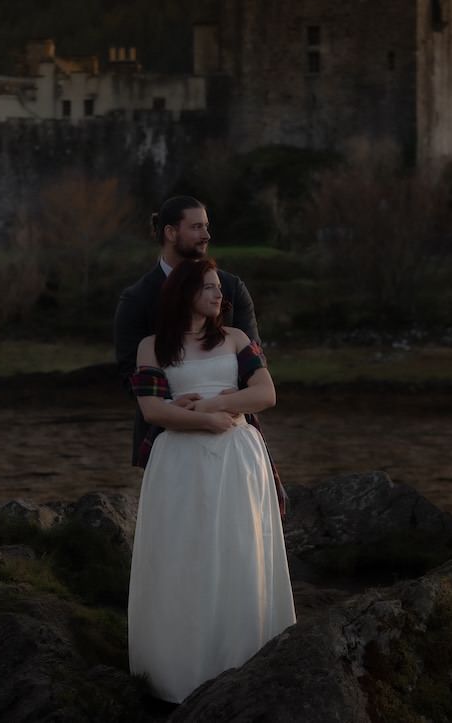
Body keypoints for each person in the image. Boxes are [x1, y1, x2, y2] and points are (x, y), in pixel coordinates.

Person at [126, 258, 296, 702]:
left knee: (239, 549)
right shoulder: (152, 347)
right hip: (179, 461)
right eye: (208, 287)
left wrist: (217, 405)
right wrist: (201, 418)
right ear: (184, 292)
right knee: (184, 554)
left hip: (237, 458)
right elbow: (152, 411)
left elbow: (266, 393)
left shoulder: (236, 339)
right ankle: (176, 675)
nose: (219, 295)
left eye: (218, 287)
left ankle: (243, 660)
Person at [113, 196, 259, 467]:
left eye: (206, 226)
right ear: (170, 232)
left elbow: (254, 361)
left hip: (230, 432)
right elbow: (129, 372)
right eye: (196, 227)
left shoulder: (231, 286)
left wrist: (220, 405)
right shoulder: (138, 298)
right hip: (167, 437)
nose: (206, 235)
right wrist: (174, 408)